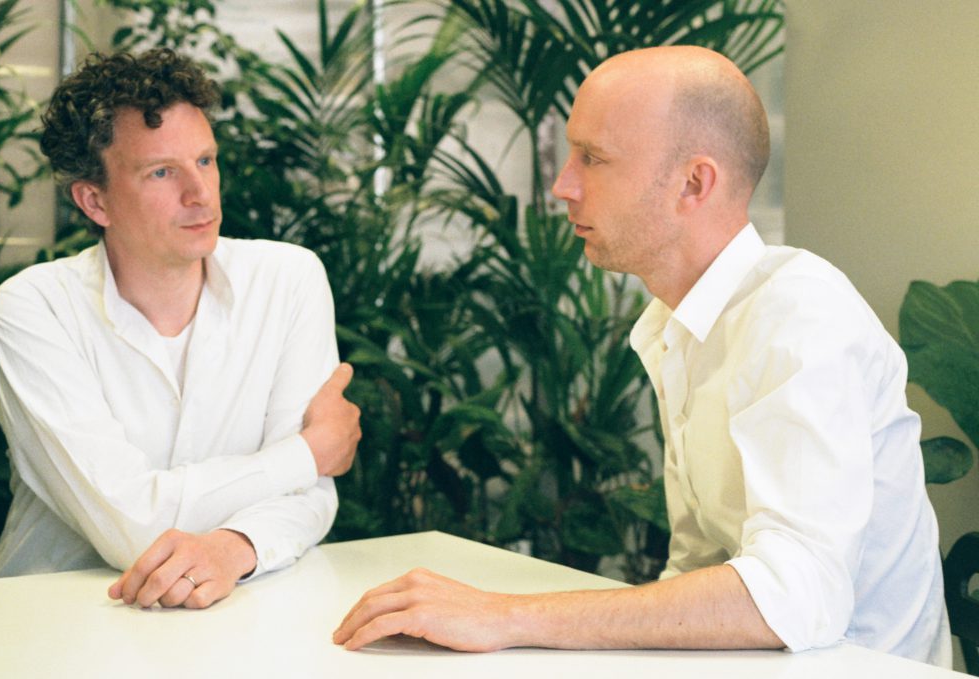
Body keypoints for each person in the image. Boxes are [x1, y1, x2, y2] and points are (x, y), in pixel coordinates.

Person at [332, 46, 951, 666]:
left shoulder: (799, 318)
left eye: (593, 158)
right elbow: (698, 566)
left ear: (693, 183)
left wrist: (505, 615)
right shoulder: (673, 324)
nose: (562, 185)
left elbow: (798, 595)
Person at [0, 47, 361, 610]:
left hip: (232, 611)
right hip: (53, 621)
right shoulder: (33, 309)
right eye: (162, 171)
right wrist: (310, 451)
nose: (199, 193)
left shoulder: (289, 279)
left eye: (205, 161)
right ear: (94, 200)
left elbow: (310, 498)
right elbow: (131, 529)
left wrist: (235, 549)